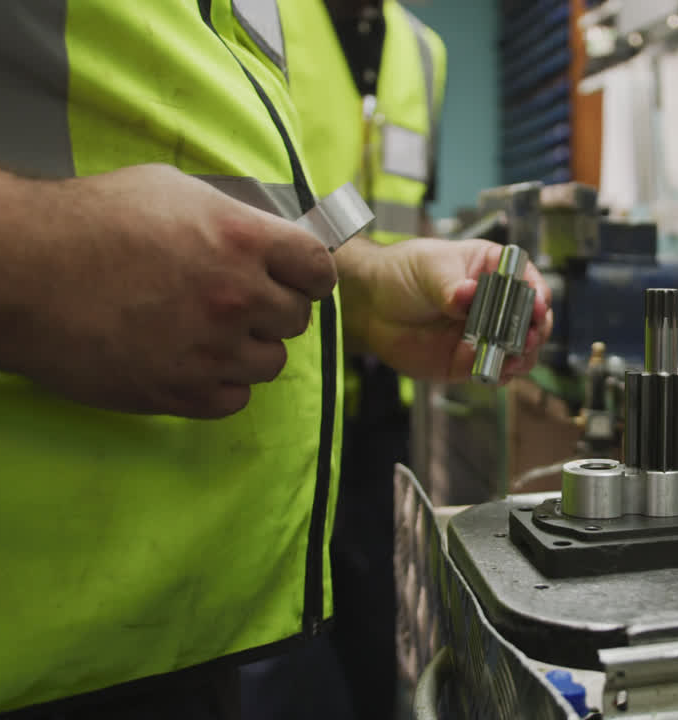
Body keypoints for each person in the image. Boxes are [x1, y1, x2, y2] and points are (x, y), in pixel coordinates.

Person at [0, 2, 551, 718]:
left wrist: (364, 292)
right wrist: (38, 260)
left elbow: (258, 213)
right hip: (36, 622)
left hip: (211, 594)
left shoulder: (411, 51)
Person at [239, 1, 450, 718]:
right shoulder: (258, 14)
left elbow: (413, 211)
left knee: (379, 645)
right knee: (276, 667)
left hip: (384, 407)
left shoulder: (425, 52)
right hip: (272, 396)